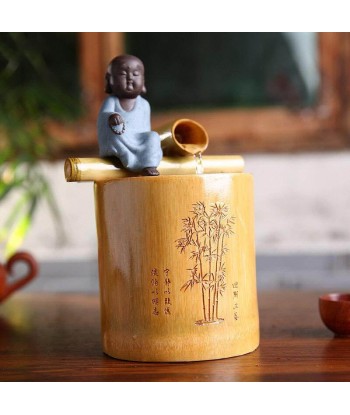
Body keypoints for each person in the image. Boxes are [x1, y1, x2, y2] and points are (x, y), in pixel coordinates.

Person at [97, 55, 162, 176]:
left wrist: (144, 141)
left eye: (136, 74)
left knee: (153, 137)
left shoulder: (144, 104)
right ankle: (120, 155)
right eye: (122, 74)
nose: (130, 78)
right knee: (115, 132)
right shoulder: (112, 101)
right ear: (110, 80)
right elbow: (104, 117)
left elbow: (145, 128)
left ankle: (148, 163)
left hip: (138, 139)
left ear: (143, 81)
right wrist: (112, 117)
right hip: (120, 136)